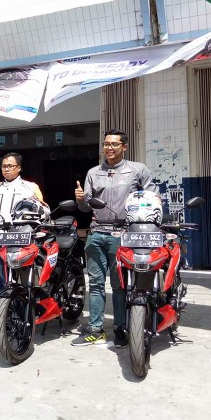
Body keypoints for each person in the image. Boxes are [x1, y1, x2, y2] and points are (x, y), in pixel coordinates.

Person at [71, 129, 155, 348]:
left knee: (119, 286)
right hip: (96, 233)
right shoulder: (93, 172)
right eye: (106, 144)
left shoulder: (137, 170)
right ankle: (96, 329)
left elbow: (151, 198)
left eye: (114, 144)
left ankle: (120, 329)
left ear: (124, 146)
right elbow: (85, 207)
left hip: (122, 235)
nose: (109, 148)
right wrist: (80, 199)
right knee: (96, 284)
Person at [0, 152, 44, 334]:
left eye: (10, 166)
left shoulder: (30, 188)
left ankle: (24, 317)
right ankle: (3, 320)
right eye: (4, 166)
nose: (6, 169)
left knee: (22, 281)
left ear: (19, 168)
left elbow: (45, 211)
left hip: (21, 239)